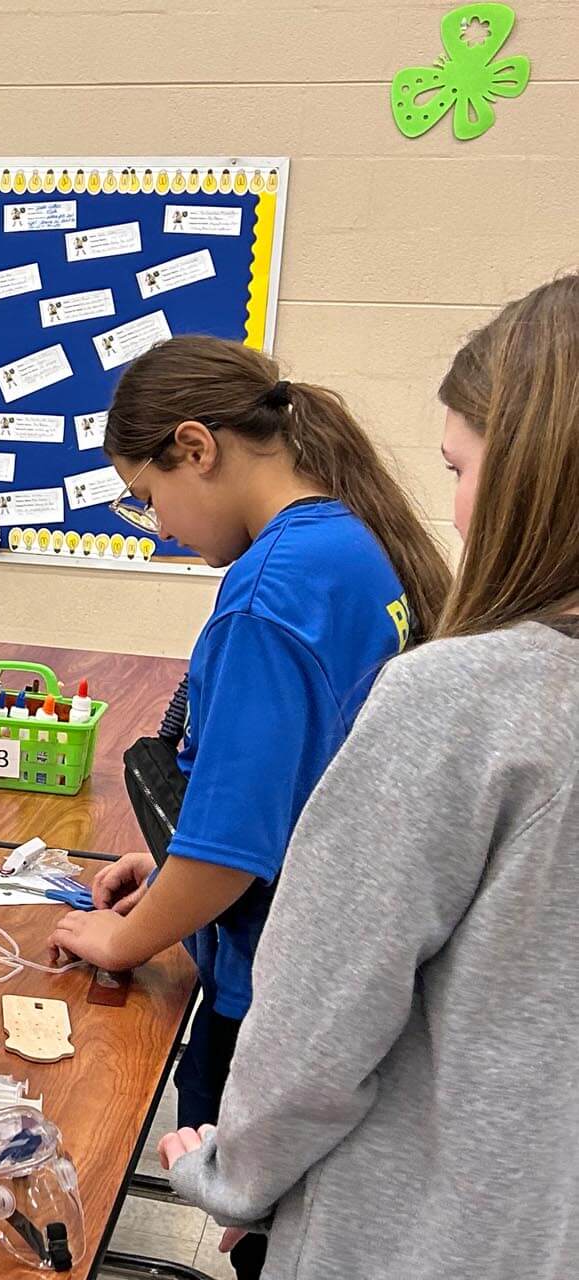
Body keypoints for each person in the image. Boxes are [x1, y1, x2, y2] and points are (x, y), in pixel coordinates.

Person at [159, 275, 579, 1278]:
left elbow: (320, 1019)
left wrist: (231, 1169)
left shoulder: (470, 695)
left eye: (463, 467)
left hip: (418, 1231)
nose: (460, 509)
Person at [46, 336, 451, 1277]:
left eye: (146, 497)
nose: (159, 527)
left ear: (196, 447)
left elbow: (231, 852)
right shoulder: (354, 545)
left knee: (255, 1244)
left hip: (270, 992)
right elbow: (297, 787)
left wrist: (121, 939)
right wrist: (174, 867)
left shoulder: (266, 594)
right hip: (336, 972)